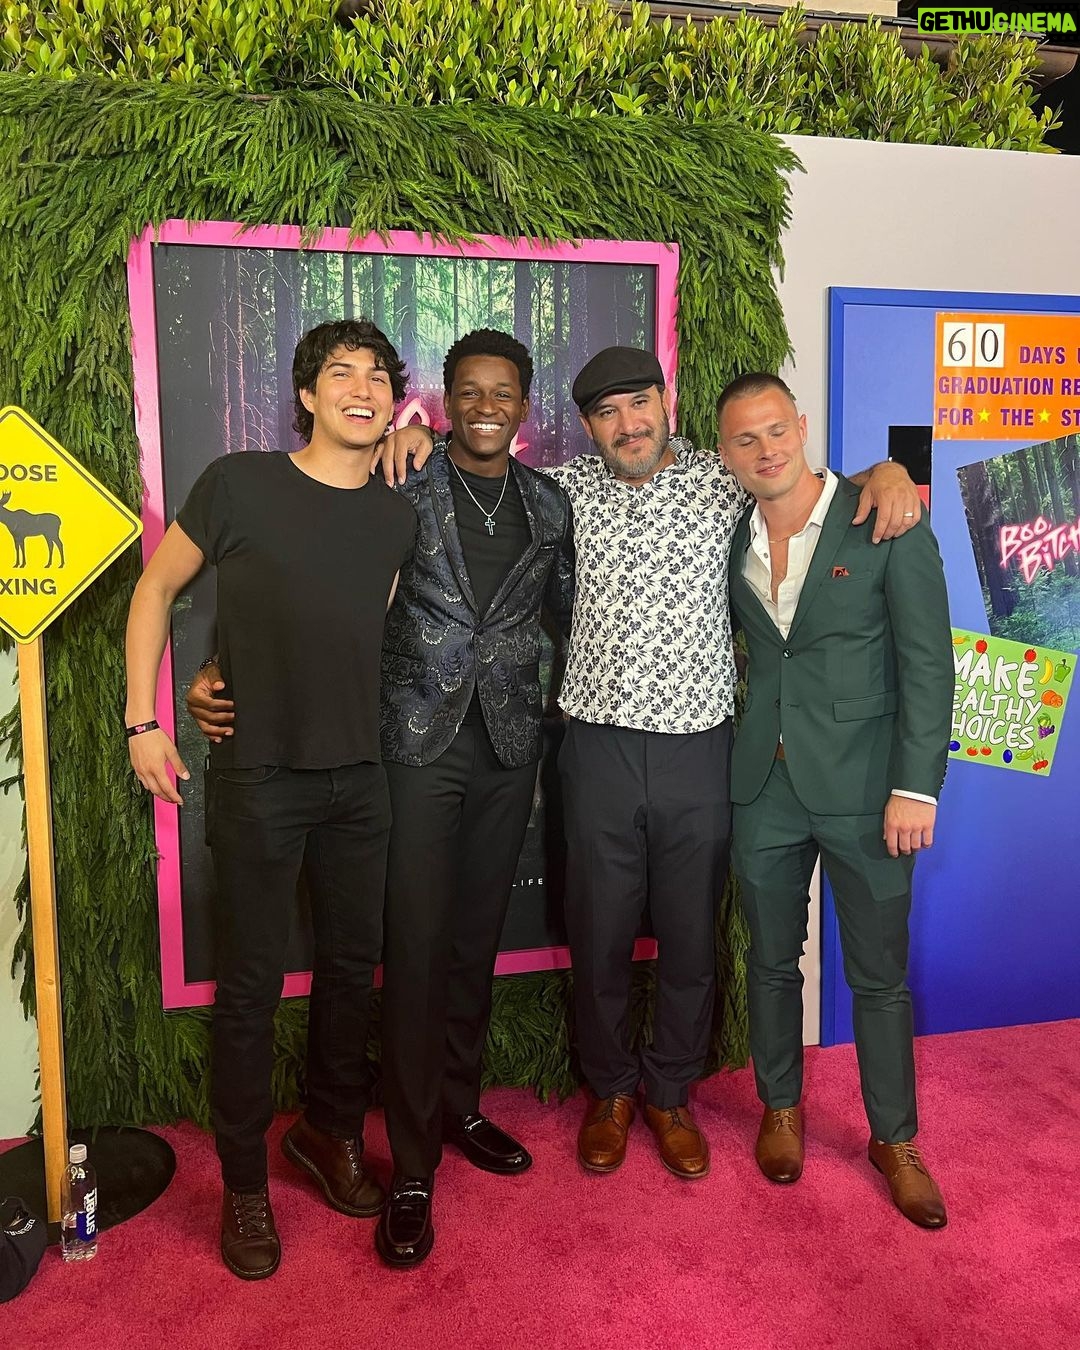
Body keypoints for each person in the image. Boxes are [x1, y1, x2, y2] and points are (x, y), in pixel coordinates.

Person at [385, 344, 920, 1183]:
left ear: (666, 404)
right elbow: (471, 471)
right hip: (595, 746)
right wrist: (411, 439)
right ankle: (609, 1091)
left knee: (688, 934)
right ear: (586, 425)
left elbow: (804, 483)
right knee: (598, 933)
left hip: (700, 748)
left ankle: (670, 1093)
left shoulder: (722, 479)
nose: (628, 425)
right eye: (607, 412)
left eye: (640, 404)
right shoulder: (559, 491)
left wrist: (889, 471)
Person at [189, 329, 574, 1269]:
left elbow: (562, 614)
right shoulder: (402, 479)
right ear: (443, 401)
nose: (486, 406)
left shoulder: (549, 501)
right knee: (413, 945)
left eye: (504, 392)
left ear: (524, 405)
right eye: (469, 390)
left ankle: (457, 1107)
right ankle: (410, 1163)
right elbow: (304, 583)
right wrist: (216, 667)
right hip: (409, 743)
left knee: (473, 939)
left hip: (508, 744)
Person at [126, 319, 417, 1279]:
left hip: (360, 780)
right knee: (249, 987)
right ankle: (245, 1184)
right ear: (305, 394)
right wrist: (146, 718)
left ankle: (328, 1134)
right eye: (340, 373)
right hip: (257, 777)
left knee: (351, 973)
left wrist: (420, 440)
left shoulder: (396, 517)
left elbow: (341, 630)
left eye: (378, 376)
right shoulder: (237, 484)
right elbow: (155, 591)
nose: (361, 389)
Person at [717, 372, 951, 1228]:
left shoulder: (883, 516)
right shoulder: (728, 530)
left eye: (777, 430)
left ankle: (896, 1139)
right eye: (745, 439)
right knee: (771, 962)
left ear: (803, 426)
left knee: (879, 978)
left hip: (868, 790)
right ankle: (781, 1108)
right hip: (763, 788)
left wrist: (915, 785)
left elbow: (928, 663)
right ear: (725, 454)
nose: (766, 450)